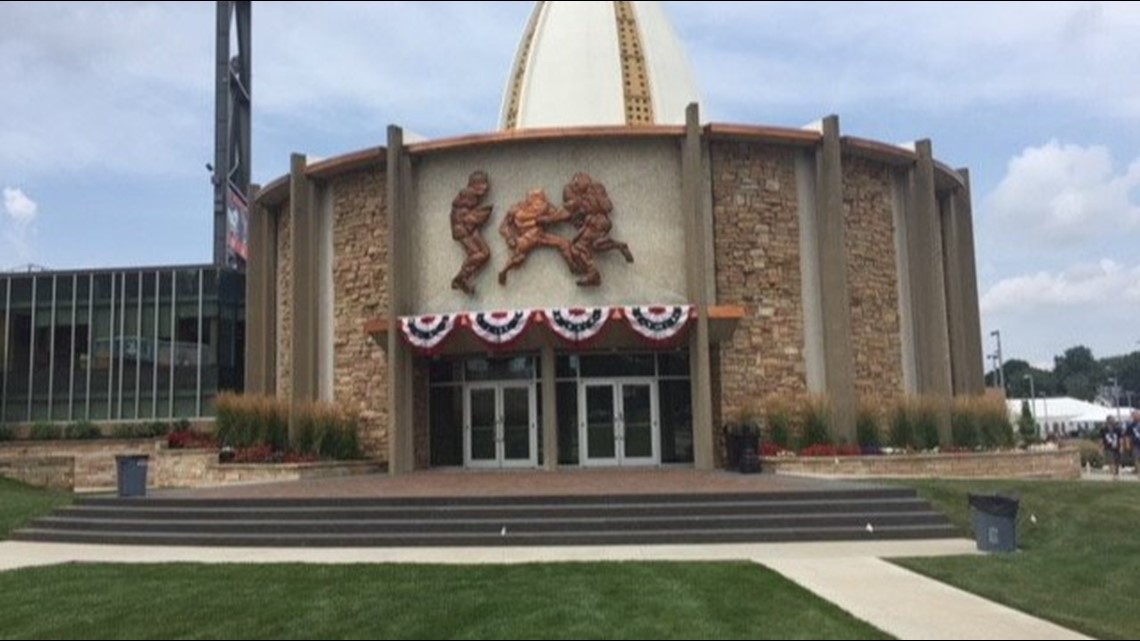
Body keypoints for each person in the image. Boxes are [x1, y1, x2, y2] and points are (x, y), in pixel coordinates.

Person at [561, 172, 634, 287]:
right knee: (596, 245)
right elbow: (574, 210)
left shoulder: (595, 191)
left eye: (576, 183)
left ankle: (593, 274)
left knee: (578, 248)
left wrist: (587, 204)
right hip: (591, 223)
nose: (575, 186)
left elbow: (607, 207)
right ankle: (618, 246)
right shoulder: (582, 195)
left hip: (598, 221)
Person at [497, 188, 574, 286]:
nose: (539, 203)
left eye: (541, 199)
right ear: (529, 200)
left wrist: (567, 214)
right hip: (526, 237)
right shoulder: (516, 209)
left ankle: (572, 265)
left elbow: (557, 217)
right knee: (519, 257)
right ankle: (504, 271)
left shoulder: (546, 208)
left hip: (540, 234)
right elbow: (503, 226)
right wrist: (509, 238)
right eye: (535, 199)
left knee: (563, 243)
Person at [450, 171, 493, 294]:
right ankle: (461, 277)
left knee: (485, 253)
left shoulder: (471, 195)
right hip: (462, 228)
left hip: (470, 226)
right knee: (477, 253)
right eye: (483, 185)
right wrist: (476, 216)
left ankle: (463, 278)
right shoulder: (468, 194)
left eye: (486, 185)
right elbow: (460, 214)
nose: (485, 188)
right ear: (475, 184)